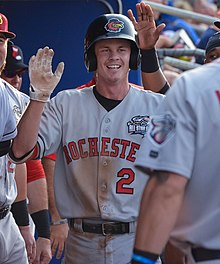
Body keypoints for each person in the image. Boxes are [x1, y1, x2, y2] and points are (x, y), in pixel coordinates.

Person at [9, 2, 168, 263]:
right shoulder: (65, 103)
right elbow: (19, 152)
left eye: (122, 49)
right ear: (92, 57)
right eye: (104, 49)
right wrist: (38, 97)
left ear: (133, 57)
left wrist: (149, 52)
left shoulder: (153, 105)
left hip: (135, 239)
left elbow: (182, 123)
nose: (114, 57)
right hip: (81, 242)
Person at [130, 31, 220, 264]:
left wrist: (142, 259)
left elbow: (167, 185)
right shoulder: (193, 91)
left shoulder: (195, 87)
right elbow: (161, 94)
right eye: (211, 55)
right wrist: (148, 52)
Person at [1, 41, 52, 263]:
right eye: (10, 73)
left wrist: (38, 228)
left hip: (6, 217)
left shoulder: (19, 101)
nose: (16, 80)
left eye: (20, 74)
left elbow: (25, 163)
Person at [0, 12, 29, 264]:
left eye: (1, 41)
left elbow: (21, 160)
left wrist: (26, 223)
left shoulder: (17, 99)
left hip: (6, 218)